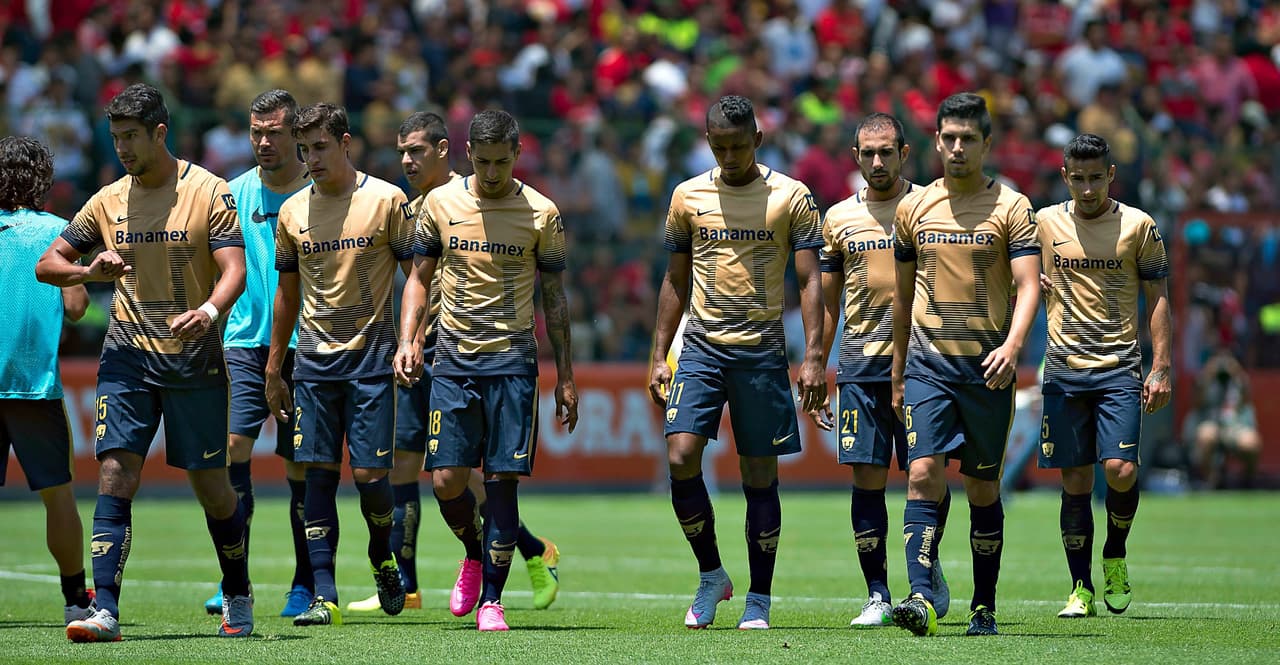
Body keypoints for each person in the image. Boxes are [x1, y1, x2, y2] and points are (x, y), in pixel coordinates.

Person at [36, 83, 254, 641]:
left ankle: (237, 590)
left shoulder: (209, 191)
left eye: (132, 137)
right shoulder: (107, 200)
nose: (123, 149)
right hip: (126, 355)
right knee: (115, 471)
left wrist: (209, 309)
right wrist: (89, 272)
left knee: (214, 489)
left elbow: (235, 269)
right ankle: (104, 608)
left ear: (160, 132)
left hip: (194, 360)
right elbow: (49, 263)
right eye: (115, 139)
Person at [348, 111, 561, 614]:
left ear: (446, 151)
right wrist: (406, 339)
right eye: (401, 151)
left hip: (470, 351)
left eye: (417, 150)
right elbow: (410, 282)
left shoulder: (469, 204)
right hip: (424, 351)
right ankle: (412, 581)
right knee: (413, 465)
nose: (406, 160)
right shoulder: (410, 207)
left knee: (468, 475)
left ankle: (522, 554)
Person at [647, 95, 826, 631]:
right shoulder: (687, 196)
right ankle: (711, 575)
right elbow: (675, 279)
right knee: (681, 456)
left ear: (758, 141)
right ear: (708, 143)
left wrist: (814, 356)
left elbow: (811, 278)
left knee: (759, 475)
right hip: (701, 346)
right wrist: (659, 353)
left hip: (762, 350)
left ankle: (760, 599)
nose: (729, 156)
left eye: (739, 146)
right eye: (720, 146)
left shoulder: (790, 196)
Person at [890, 92, 1041, 637]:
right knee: (923, 474)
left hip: (988, 368)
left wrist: (1014, 346)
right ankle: (920, 596)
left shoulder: (1012, 207)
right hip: (929, 367)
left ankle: (983, 604)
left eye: (968, 139)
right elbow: (903, 298)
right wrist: (898, 371)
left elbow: (1029, 288)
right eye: (949, 138)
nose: (957, 148)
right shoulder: (914, 209)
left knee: (982, 489)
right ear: (935, 141)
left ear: (987, 144)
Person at [265, 103, 410, 627]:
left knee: (371, 477)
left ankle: (381, 554)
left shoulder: (387, 200)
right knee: (316, 476)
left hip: (372, 362)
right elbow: (287, 293)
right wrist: (275, 365)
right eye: (304, 150)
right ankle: (323, 594)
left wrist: (410, 339)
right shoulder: (292, 212)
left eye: (320, 147)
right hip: (313, 365)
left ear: (345, 143)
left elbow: (417, 275)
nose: (311, 159)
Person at [809, 113, 952, 628]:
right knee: (867, 480)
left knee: (926, 475)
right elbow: (827, 305)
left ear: (904, 153)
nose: (876, 162)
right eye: (867, 152)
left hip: (923, 365)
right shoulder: (838, 218)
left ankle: (926, 568)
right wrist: (815, 365)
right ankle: (876, 593)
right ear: (855, 156)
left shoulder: (929, 208)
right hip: (860, 367)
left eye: (886, 152)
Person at [1036, 133, 1172, 619]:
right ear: (1065, 176)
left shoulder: (1139, 225)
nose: (1087, 188)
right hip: (1063, 367)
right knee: (1074, 480)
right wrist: (1031, 281)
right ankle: (1080, 587)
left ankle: (1115, 551)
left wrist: (1160, 366)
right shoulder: (1044, 223)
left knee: (1119, 471)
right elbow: (1016, 275)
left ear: (1110, 175)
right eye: (1079, 178)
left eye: (1096, 178)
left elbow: (1157, 296)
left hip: (1118, 366)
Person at [199, 89, 314, 618]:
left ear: (295, 134)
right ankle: (233, 578)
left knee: (300, 468)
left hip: (306, 344)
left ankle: (304, 581)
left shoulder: (319, 194)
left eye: (274, 132)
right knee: (231, 452)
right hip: (244, 341)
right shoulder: (231, 193)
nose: (263, 141)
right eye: (256, 132)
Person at [0, 136, 93, 627]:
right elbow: (78, 310)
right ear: (42, 181)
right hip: (31, 383)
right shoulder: (58, 232)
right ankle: (77, 600)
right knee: (57, 494)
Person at [1190, 345, 1259, 489]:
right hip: (1211, 422)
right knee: (1206, 435)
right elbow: (1197, 403)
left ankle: (1248, 481)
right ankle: (1210, 480)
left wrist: (1237, 372)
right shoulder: (1206, 380)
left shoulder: (1238, 379)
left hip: (1235, 425)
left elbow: (1247, 401)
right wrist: (1208, 374)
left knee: (1251, 442)